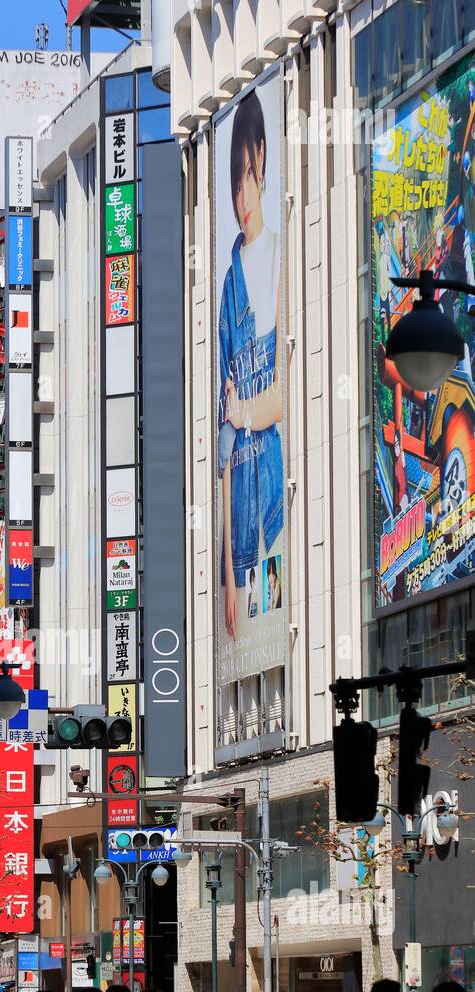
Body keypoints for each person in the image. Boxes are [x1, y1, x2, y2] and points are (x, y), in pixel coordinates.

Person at [218, 86, 284, 644]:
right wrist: (225, 580)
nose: (241, 196)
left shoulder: (282, 256)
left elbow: (281, 398)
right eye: (231, 184)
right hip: (241, 517)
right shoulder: (228, 283)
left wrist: (245, 413)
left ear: (261, 156)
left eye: (244, 175)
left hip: (278, 503)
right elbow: (223, 442)